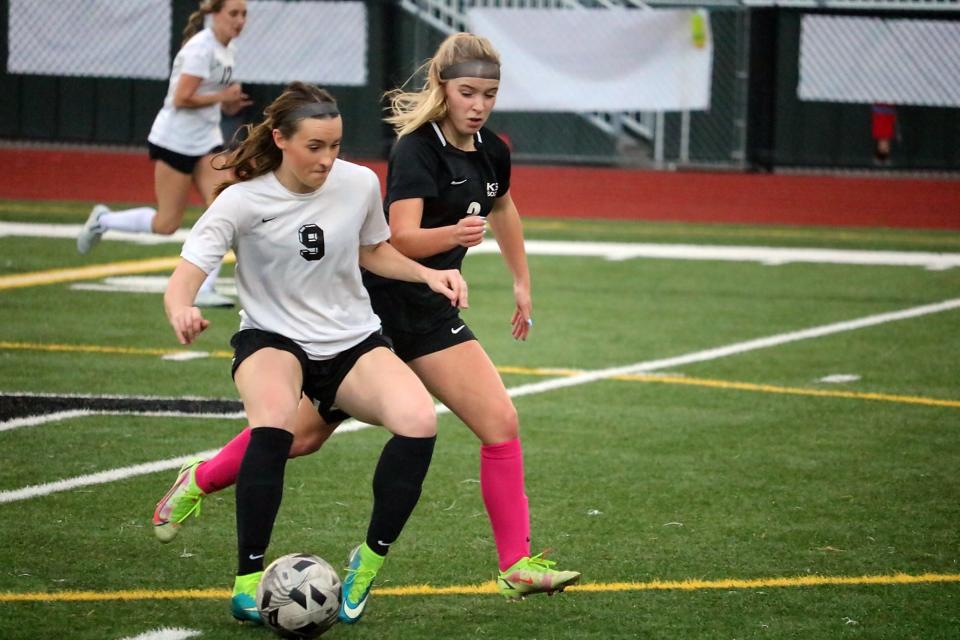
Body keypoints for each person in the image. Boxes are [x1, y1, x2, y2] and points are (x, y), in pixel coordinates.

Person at [153, 31, 579, 604]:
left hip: (427, 310)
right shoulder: (414, 150)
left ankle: (515, 564)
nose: (479, 104)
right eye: (469, 92)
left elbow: (503, 207)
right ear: (443, 89)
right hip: (374, 308)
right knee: (294, 438)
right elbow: (396, 238)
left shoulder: (489, 150)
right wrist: (448, 244)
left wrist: (521, 281)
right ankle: (201, 479)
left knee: (499, 423)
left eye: (490, 94)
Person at [162, 81, 468, 625]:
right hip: (272, 339)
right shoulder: (241, 198)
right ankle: (248, 582)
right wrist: (183, 308)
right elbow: (184, 277)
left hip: (351, 338)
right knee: (275, 428)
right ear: (280, 139)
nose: (328, 159)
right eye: (315, 147)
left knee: (419, 420)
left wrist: (428, 273)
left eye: (336, 146)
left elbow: (374, 251)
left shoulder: (359, 184)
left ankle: (367, 561)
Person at [77, 0, 253, 307]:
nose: (240, 21)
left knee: (223, 209)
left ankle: (203, 289)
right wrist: (222, 96)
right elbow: (182, 98)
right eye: (233, 14)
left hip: (205, 141)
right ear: (214, 14)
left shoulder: (228, 49)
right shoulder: (201, 48)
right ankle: (104, 220)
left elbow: (211, 98)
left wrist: (228, 105)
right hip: (175, 140)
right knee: (167, 223)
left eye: (244, 14)